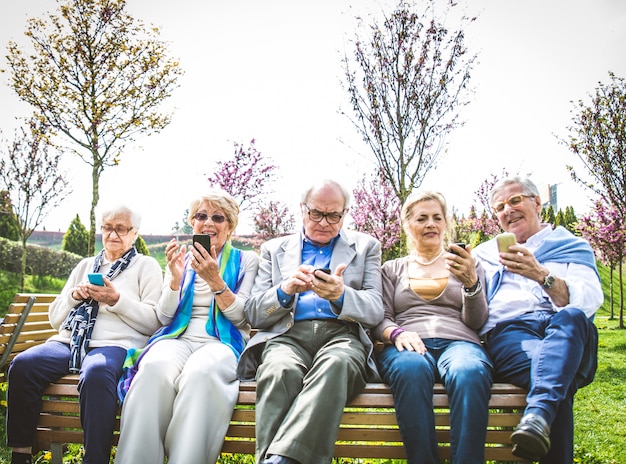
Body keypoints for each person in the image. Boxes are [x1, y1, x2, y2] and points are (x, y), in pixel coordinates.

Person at [237, 179, 383, 464]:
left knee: (337, 364)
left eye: (333, 215)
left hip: (342, 335)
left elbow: (375, 309)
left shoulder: (366, 247)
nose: (324, 222)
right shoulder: (273, 249)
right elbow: (253, 312)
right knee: (279, 370)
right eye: (316, 213)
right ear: (302, 210)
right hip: (287, 334)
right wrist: (285, 290)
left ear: (345, 213)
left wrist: (341, 295)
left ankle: (277, 460)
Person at [6, 205, 163, 464]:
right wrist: (73, 296)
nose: (113, 235)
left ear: (134, 233)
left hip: (115, 344)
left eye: (120, 229)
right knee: (23, 365)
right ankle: (21, 454)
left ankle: (95, 459)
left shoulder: (146, 266)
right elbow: (56, 319)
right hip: (70, 341)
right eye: (107, 228)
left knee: (97, 373)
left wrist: (116, 300)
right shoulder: (86, 265)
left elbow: (153, 322)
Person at [114, 191, 259, 464]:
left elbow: (244, 319)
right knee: (153, 370)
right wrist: (174, 280)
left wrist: (216, 281)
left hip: (222, 341)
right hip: (176, 338)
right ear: (192, 223)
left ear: (230, 226)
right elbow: (164, 316)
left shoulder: (247, 261)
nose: (208, 223)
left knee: (201, 374)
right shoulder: (180, 259)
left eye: (218, 217)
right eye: (201, 216)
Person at [474, 176, 603, 463]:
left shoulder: (571, 245)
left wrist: (541, 275)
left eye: (515, 200)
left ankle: (536, 417)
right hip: (512, 333)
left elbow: (591, 300)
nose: (508, 210)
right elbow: (469, 303)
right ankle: (539, 415)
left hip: (566, 331)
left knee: (571, 317)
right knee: (557, 374)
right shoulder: (483, 255)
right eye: (499, 207)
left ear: (536, 202)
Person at [372, 190, 493, 464]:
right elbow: (380, 318)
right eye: (422, 218)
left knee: (469, 370)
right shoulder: (392, 269)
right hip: (407, 343)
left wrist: (471, 283)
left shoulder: (467, 264)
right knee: (410, 369)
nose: (431, 224)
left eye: (437, 217)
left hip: (460, 342)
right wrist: (397, 333)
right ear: (407, 224)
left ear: (446, 223)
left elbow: (476, 321)